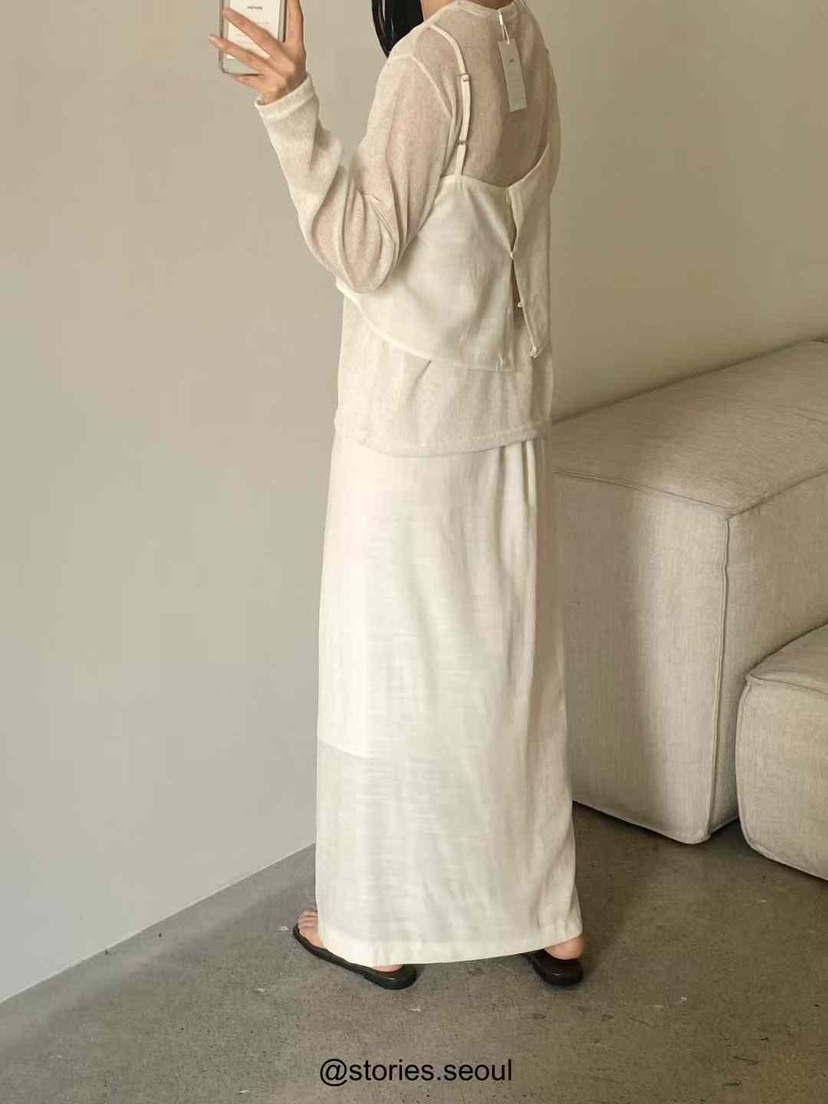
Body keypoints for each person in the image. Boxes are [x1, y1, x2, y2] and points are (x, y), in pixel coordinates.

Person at [209, 0, 587, 990]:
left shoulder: (430, 62)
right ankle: (550, 918)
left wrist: (289, 105)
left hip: (412, 431)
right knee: (507, 677)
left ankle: (373, 928)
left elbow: (362, 251)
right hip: (507, 409)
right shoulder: (520, 36)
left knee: (384, 681)